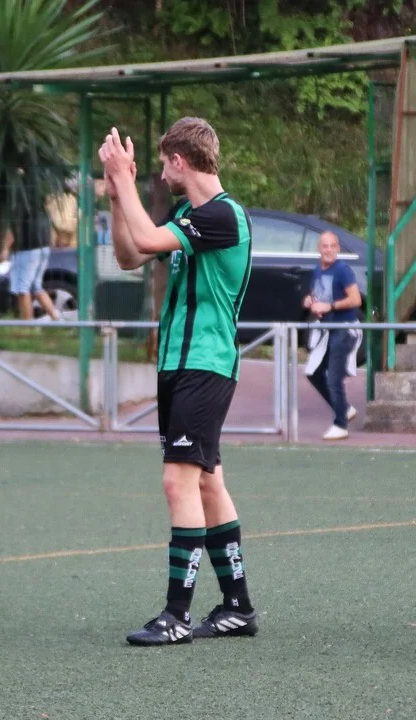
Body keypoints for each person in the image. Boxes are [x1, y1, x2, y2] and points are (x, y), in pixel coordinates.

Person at [99, 117, 258, 646]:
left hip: (205, 364)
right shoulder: (189, 215)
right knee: (207, 482)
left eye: (163, 165)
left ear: (178, 161)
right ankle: (237, 607)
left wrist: (123, 178)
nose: (160, 175)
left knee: (178, 482)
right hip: (179, 364)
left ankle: (176, 616)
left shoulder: (223, 215)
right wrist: (117, 196)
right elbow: (130, 255)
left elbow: (146, 237)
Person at [303, 231, 362, 441]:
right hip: (327, 330)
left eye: (332, 246)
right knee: (314, 372)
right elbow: (318, 295)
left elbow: (356, 300)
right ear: (319, 249)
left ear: (338, 249)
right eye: (325, 246)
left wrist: (331, 306)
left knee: (334, 377)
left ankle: (340, 424)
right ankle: (344, 408)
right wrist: (311, 301)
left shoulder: (343, 271)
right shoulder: (317, 270)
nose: (328, 250)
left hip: (345, 329)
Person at [0, 170, 61, 322]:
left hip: (26, 249)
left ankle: (27, 326)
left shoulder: (18, 202)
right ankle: (57, 320)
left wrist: (5, 248)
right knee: (36, 287)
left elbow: (13, 229)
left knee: (22, 290)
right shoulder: (39, 203)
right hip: (43, 247)